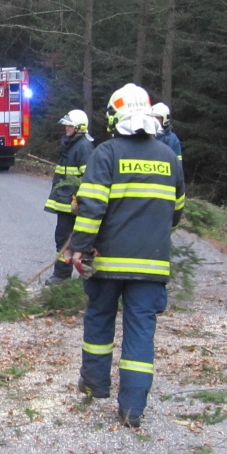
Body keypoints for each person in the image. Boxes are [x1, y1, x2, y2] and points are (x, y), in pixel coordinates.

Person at [66, 84, 184, 428]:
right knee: (141, 332)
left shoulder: (106, 154)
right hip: (152, 265)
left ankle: (94, 385)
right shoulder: (168, 157)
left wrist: (80, 247)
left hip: (107, 262)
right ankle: (132, 408)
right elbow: (176, 213)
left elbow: (91, 209)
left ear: (114, 117)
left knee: (99, 319)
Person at [43, 109, 94, 286]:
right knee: (63, 241)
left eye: (70, 125)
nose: (67, 128)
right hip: (65, 205)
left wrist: (80, 201)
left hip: (76, 207)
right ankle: (62, 275)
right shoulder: (71, 145)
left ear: (80, 127)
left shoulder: (84, 147)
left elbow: (88, 179)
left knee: (82, 241)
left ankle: (86, 278)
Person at [152, 102, 183, 179]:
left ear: (165, 119)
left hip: (165, 179)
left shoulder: (173, 139)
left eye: (157, 118)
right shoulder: (145, 136)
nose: (154, 121)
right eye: (152, 118)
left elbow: (178, 165)